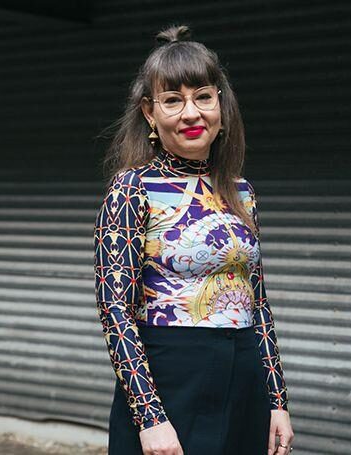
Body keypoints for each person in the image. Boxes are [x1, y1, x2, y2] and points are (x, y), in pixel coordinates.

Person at [93, 24, 294, 455]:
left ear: (220, 103)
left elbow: (257, 303)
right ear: (150, 113)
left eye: (203, 96)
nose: (191, 113)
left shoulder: (241, 191)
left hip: (244, 383)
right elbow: (114, 310)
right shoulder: (132, 189)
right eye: (172, 100)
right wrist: (150, 418)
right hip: (170, 382)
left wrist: (276, 402)